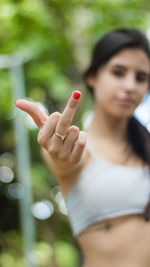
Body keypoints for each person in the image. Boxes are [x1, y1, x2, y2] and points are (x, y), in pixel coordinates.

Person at [14, 28, 150, 267]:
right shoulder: (77, 148)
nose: (130, 86)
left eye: (141, 77)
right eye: (118, 72)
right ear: (92, 77)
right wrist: (59, 153)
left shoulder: (145, 148)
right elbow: (64, 159)